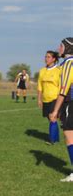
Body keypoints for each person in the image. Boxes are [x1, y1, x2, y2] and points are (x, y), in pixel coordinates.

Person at [49, 37, 73, 182]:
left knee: (70, 137)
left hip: (70, 103)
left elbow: (63, 90)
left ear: (68, 48)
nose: (59, 48)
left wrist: (55, 110)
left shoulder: (68, 64)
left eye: (61, 46)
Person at [37, 51, 61, 145]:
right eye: (45, 56)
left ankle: (51, 140)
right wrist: (39, 99)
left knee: (52, 117)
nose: (46, 59)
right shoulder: (42, 71)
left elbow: (61, 85)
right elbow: (40, 86)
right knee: (50, 119)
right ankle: (57, 138)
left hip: (55, 98)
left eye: (48, 57)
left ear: (54, 59)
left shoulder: (58, 70)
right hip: (45, 99)